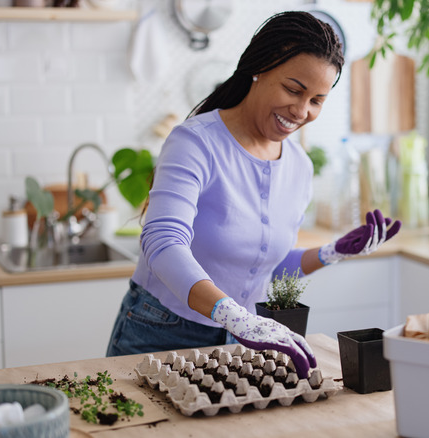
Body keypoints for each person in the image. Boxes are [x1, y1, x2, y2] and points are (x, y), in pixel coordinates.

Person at [106, 11, 401, 379]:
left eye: (317, 100)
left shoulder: (299, 167)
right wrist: (235, 315)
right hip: (161, 331)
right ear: (258, 69)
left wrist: (331, 253)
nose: (301, 110)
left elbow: (264, 267)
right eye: (294, 90)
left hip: (239, 340)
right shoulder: (196, 142)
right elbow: (163, 241)